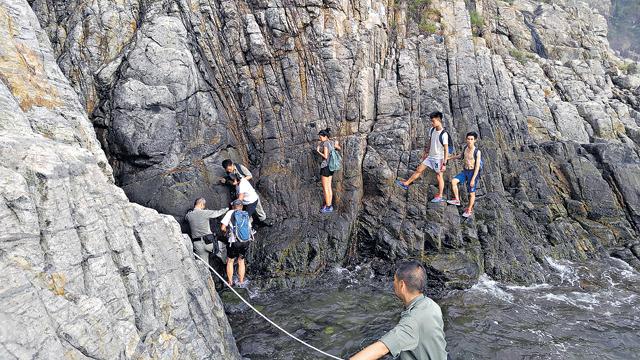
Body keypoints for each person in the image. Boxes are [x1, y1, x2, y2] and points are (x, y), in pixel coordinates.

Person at [350, 261, 448, 360]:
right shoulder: (432, 305)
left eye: (394, 280)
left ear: (402, 285)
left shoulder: (412, 321)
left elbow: (381, 348)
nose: (393, 283)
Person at [395, 111, 450, 203]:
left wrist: (444, 163)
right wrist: (426, 152)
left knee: (439, 176)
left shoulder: (444, 134)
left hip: (438, 159)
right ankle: (406, 183)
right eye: (431, 121)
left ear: (439, 120)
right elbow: (430, 142)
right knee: (419, 169)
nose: (431, 123)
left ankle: (440, 195)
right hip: (430, 157)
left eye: (433, 121)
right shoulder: (432, 130)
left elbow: (446, 150)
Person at [220, 159, 272, 227]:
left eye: (230, 169)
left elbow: (250, 175)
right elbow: (231, 181)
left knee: (256, 205)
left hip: (246, 189)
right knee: (247, 209)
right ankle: (251, 223)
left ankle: (262, 219)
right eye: (228, 170)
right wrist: (231, 182)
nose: (230, 171)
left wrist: (241, 181)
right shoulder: (230, 173)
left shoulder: (240, 168)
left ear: (232, 165)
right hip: (240, 191)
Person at [185, 198, 229, 268]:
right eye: (204, 205)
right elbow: (217, 213)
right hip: (209, 242)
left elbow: (186, 217)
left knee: (203, 267)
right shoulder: (205, 212)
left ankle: (207, 278)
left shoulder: (189, 215)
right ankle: (227, 263)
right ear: (201, 204)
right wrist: (227, 209)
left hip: (197, 245)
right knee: (223, 246)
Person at [447, 132, 482, 218]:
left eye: (471, 139)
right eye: (468, 139)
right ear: (466, 139)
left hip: (473, 173)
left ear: (475, 140)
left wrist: (473, 179)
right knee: (454, 181)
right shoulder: (465, 148)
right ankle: (457, 200)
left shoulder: (477, 152)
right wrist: (450, 157)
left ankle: (469, 209)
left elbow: (477, 167)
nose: (469, 141)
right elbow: (461, 156)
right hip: (465, 171)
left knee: (471, 193)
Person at [221, 199, 253, 287]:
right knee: (241, 261)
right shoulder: (245, 214)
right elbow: (249, 227)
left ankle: (230, 282)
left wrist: (226, 234)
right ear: (242, 207)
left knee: (230, 261)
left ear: (233, 206)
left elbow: (223, 227)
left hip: (234, 242)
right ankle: (241, 281)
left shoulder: (230, 213)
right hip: (245, 241)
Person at [316, 128, 341, 213]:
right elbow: (339, 148)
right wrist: (336, 144)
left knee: (325, 187)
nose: (320, 138)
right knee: (329, 186)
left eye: (320, 137)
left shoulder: (326, 143)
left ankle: (328, 207)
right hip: (331, 167)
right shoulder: (332, 142)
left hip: (326, 167)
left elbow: (326, 156)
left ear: (325, 136)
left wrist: (318, 151)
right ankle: (329, 205)